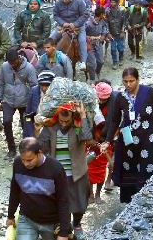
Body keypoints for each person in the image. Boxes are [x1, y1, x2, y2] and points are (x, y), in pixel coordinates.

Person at [101, 67, 153, 203]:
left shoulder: (149, 93)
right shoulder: (120, 97)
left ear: (138, 80)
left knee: (147, 166)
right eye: (125, 81)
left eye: (131, 81)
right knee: (130, 168)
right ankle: (131, 203)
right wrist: (107, 140)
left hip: (148, 138)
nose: (128, 85)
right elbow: (115, 121)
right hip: (128, 140)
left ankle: (147, 198)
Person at [38, 102, 93, 239]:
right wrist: (38, 128)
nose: (63, 124)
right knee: (61, 203)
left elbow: (87, 137)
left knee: (80, 202)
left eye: (67, 121)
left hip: (77, 173)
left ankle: (77, 224)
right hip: (57, 175)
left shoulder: (77, 126)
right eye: (61, 121)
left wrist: (83, 115)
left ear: (73, 117)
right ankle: (65, 226)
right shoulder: (50, 127)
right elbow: (41, 147)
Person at [7, 138, 71, 240]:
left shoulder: (55, 168)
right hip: (27, 219)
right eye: (23, 159)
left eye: (29, 160)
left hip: (52, 223)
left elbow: (64, 200)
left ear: (39, 153)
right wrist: (10, 216)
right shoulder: (18, 163)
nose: (25, 164)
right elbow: (15, 191)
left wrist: (63, 232)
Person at [0, 49, 38, 158]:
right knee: (6, 122)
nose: (12, 65)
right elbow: (0, 84)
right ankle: (11, 149)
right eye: (10, 63)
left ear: (18, 58)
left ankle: (27, 149)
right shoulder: (5, 67)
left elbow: (34, 86)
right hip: (8, 100)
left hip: (24, 101)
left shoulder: (29, 68)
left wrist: (34, 105)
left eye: (14, 62)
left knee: (26, 125)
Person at [50, 0, 89, 71]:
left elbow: (85, 14)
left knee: (82, 41)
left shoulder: (79, 2)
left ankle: (83, 62)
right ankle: (48, 56)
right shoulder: (58, 3)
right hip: (62, 26)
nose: (65, 1)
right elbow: (55, 15)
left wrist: (75, 24)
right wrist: (62, 23)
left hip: (78, 26)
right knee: (52, 37)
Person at [25, 71, 56, 137]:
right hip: (36, 128)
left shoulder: (58, 94)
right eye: (42, 85)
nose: (44, 88)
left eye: (47, 85)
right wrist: (31, 134)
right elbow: (27, 116)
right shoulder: (33, 91)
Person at [85, 7, 108, 82]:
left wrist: (103, 35)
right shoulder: (88, 23)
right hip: (89, 45)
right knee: (91, 64)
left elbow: (105, 28)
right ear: (101, 14)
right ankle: (92, 79)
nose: (104, 15)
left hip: (98, 44)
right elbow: (82, 34)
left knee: (101, 61)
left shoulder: (102, 21)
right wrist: (90, 37)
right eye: (103, 14)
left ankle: (97, 72)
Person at [105, 0, 126, 70]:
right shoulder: (107, 11)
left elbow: (124, 22)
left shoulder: (122, 10)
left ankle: (121, 57)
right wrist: (108, 33)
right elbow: (106, 23)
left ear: (117, 3)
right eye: (111, 2)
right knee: (113, 49)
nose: (112, 3)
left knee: (120, 48)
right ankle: (115, 62)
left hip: (120, 33)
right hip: (112, 33)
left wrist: (123, 31)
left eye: (114, 2)